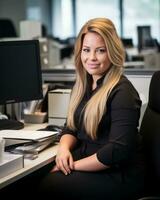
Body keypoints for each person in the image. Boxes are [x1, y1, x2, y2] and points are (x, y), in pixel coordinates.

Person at [38, 18, 145, 200]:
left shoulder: (123, 92)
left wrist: (73, 165)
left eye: (100, 51)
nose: (92, 58)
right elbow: (71, 127)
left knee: (48, 186)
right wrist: (63, 150)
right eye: (86, 50)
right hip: (89, 162)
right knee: (35, 177)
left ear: (112, 52)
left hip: (118, 173)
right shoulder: (83, 85)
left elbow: (116, 151)